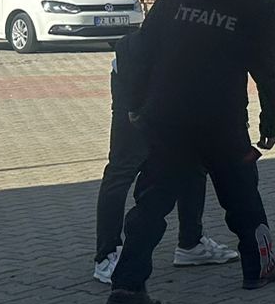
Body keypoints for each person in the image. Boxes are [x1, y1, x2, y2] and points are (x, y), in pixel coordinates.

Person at [104, 0, 275, 304]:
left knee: (152, 199)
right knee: (243, 194)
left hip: (167, 111)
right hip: (220, 116)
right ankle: (260, 266)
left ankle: (127, 284)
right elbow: (269, 78)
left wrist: (138, 104)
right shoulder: (260, 3)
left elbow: (146, 44)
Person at [93, 24, 232, 283]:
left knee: (192, 160)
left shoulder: (224, 24)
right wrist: (135, 106)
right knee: (124, 166)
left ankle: (191, 244)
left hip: (174, 87)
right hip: (136, 81)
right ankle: (107, 256)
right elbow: (128, 48)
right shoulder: (189, 7)